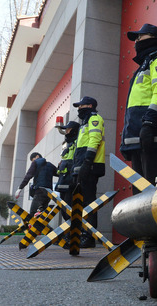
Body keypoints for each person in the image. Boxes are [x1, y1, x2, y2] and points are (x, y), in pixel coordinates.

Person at [120, 23, 157, 191]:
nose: (136, 41)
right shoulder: (142, 69)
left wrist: (149, 124)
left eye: (140, 37)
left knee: (155, 192)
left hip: (154, 138)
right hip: (140, 140)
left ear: (153, 38)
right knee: (140, 196)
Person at [72, 96, 105, 248]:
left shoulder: (94, 119)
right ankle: (83, 235)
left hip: (90, 167)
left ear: (90, 105)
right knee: (83, 202)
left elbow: (95, 140)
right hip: (82, 167)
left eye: (81, 106)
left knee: (89, 202)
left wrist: (87, 162)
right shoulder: (84, 123)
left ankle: (89, 237)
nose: (79, 108)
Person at [55, 121, 80, 221]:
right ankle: (68, 233)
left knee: (70, 208)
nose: (66, 132)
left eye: (68, 129)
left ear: (74, 131)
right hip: (62, 181)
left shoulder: (78, 142)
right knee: (63, 208)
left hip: (71, 181)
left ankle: (72, 232)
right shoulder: (66, 144)